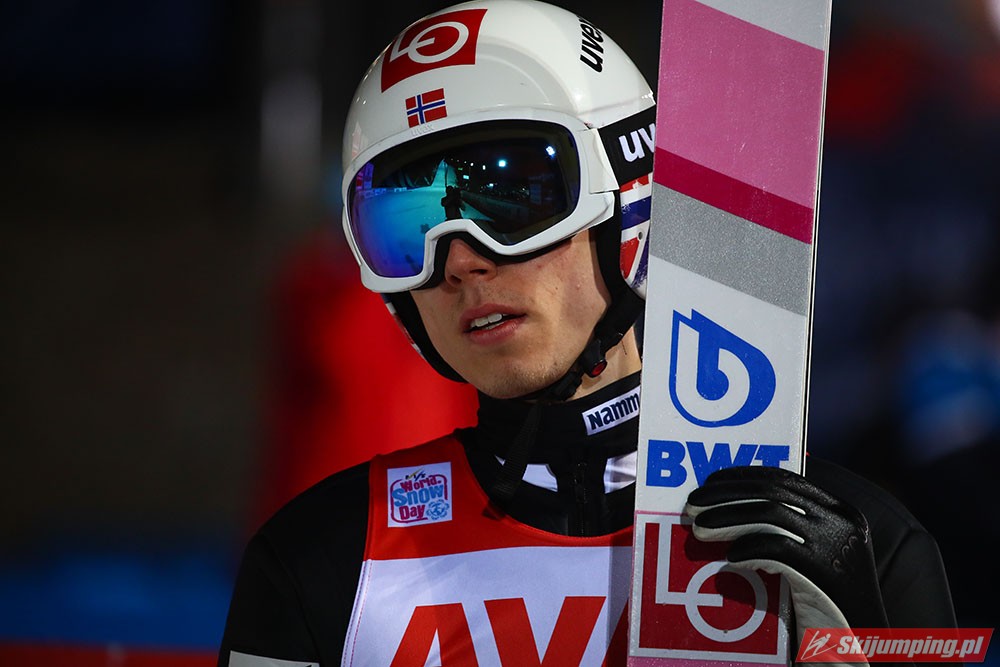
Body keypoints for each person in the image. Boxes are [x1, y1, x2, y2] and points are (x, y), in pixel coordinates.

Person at [218, 1, 956, 665]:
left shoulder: (863, 548)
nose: (462, 260)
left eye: (512, 197)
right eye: (403, 225)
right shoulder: (318, 560)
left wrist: (872, 653)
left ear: (627, 198)